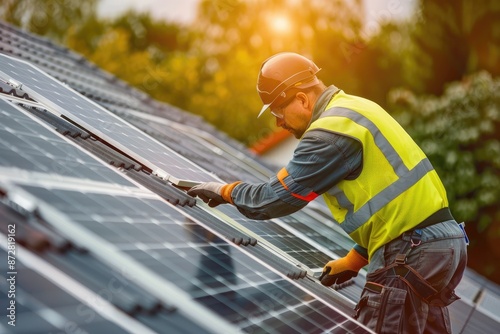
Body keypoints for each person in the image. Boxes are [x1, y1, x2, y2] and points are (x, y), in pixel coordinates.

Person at [187, 52, 467, 333]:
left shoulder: (328, 134)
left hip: (411, 252)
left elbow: (273, 198)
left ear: (301, 99)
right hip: (442, 245)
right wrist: (355, 260)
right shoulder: (355, 108)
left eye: (277, 111)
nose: (278, 122)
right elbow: (395, 204)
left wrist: (224, 191)